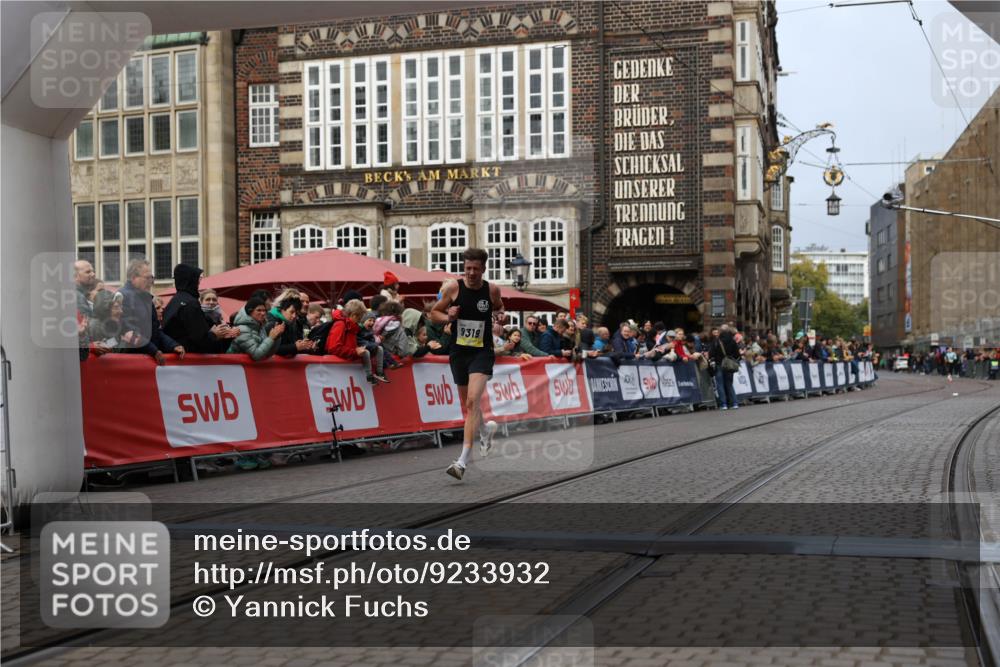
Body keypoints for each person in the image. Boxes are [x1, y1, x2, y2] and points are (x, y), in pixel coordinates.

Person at [431, 248, 503, 481]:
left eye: (476, 269)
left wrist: (501, 317)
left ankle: (462, 461)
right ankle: (484, 430)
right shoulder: (453, 288)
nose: (471, 273)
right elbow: (434, 314)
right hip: (459, 352)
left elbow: (500, 308)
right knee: (468, 405)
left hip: (482, 352)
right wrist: (448, 317)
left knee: (473, 402)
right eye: (467, 268)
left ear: (483, 269)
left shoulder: (491, 290)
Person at [118, 258, 184, 364]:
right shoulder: (122, 297)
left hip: (148, 359)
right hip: (130, 362)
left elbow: (156, 330)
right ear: (133, 277)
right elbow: (128, 332)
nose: (151, 282)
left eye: (151, 277)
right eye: (147, 278)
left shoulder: (147, 298)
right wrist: (154, 351)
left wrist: (173, 345)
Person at [162, 264, 238, 353]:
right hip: (187, 360)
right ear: (191, 280)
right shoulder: (190, 303)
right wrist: (215, 334)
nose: (198, 282)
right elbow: (200, 339)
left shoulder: (175, 300)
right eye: (197, 278)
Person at [325, 299, 384, 384]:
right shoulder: (340, 324)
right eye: (359, 318)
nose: (360, 321)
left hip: (344, 370)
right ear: (353, 315)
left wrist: (357, 350)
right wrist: (354, 351)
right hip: (337, 372)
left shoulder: (351, 325)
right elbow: (333, 348)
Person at [228, 296, 285, 361]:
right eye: (259, 310)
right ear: (250, 312)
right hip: (233, 368)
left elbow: (267, 354)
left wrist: (276, 337)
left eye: (264, 310)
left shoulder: (260, 327)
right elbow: (256, 355)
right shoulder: (242, 329)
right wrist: (271, 338)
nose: (263, 313)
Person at [710, 324, 741, 410]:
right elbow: (737, 354)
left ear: (720, 331)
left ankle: (723, 404)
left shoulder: (717, 341)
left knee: (720, 384)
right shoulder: (732, 341)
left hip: (719, 364)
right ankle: (734, 403)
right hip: (729, 365)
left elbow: (711, 353)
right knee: (729, 384)